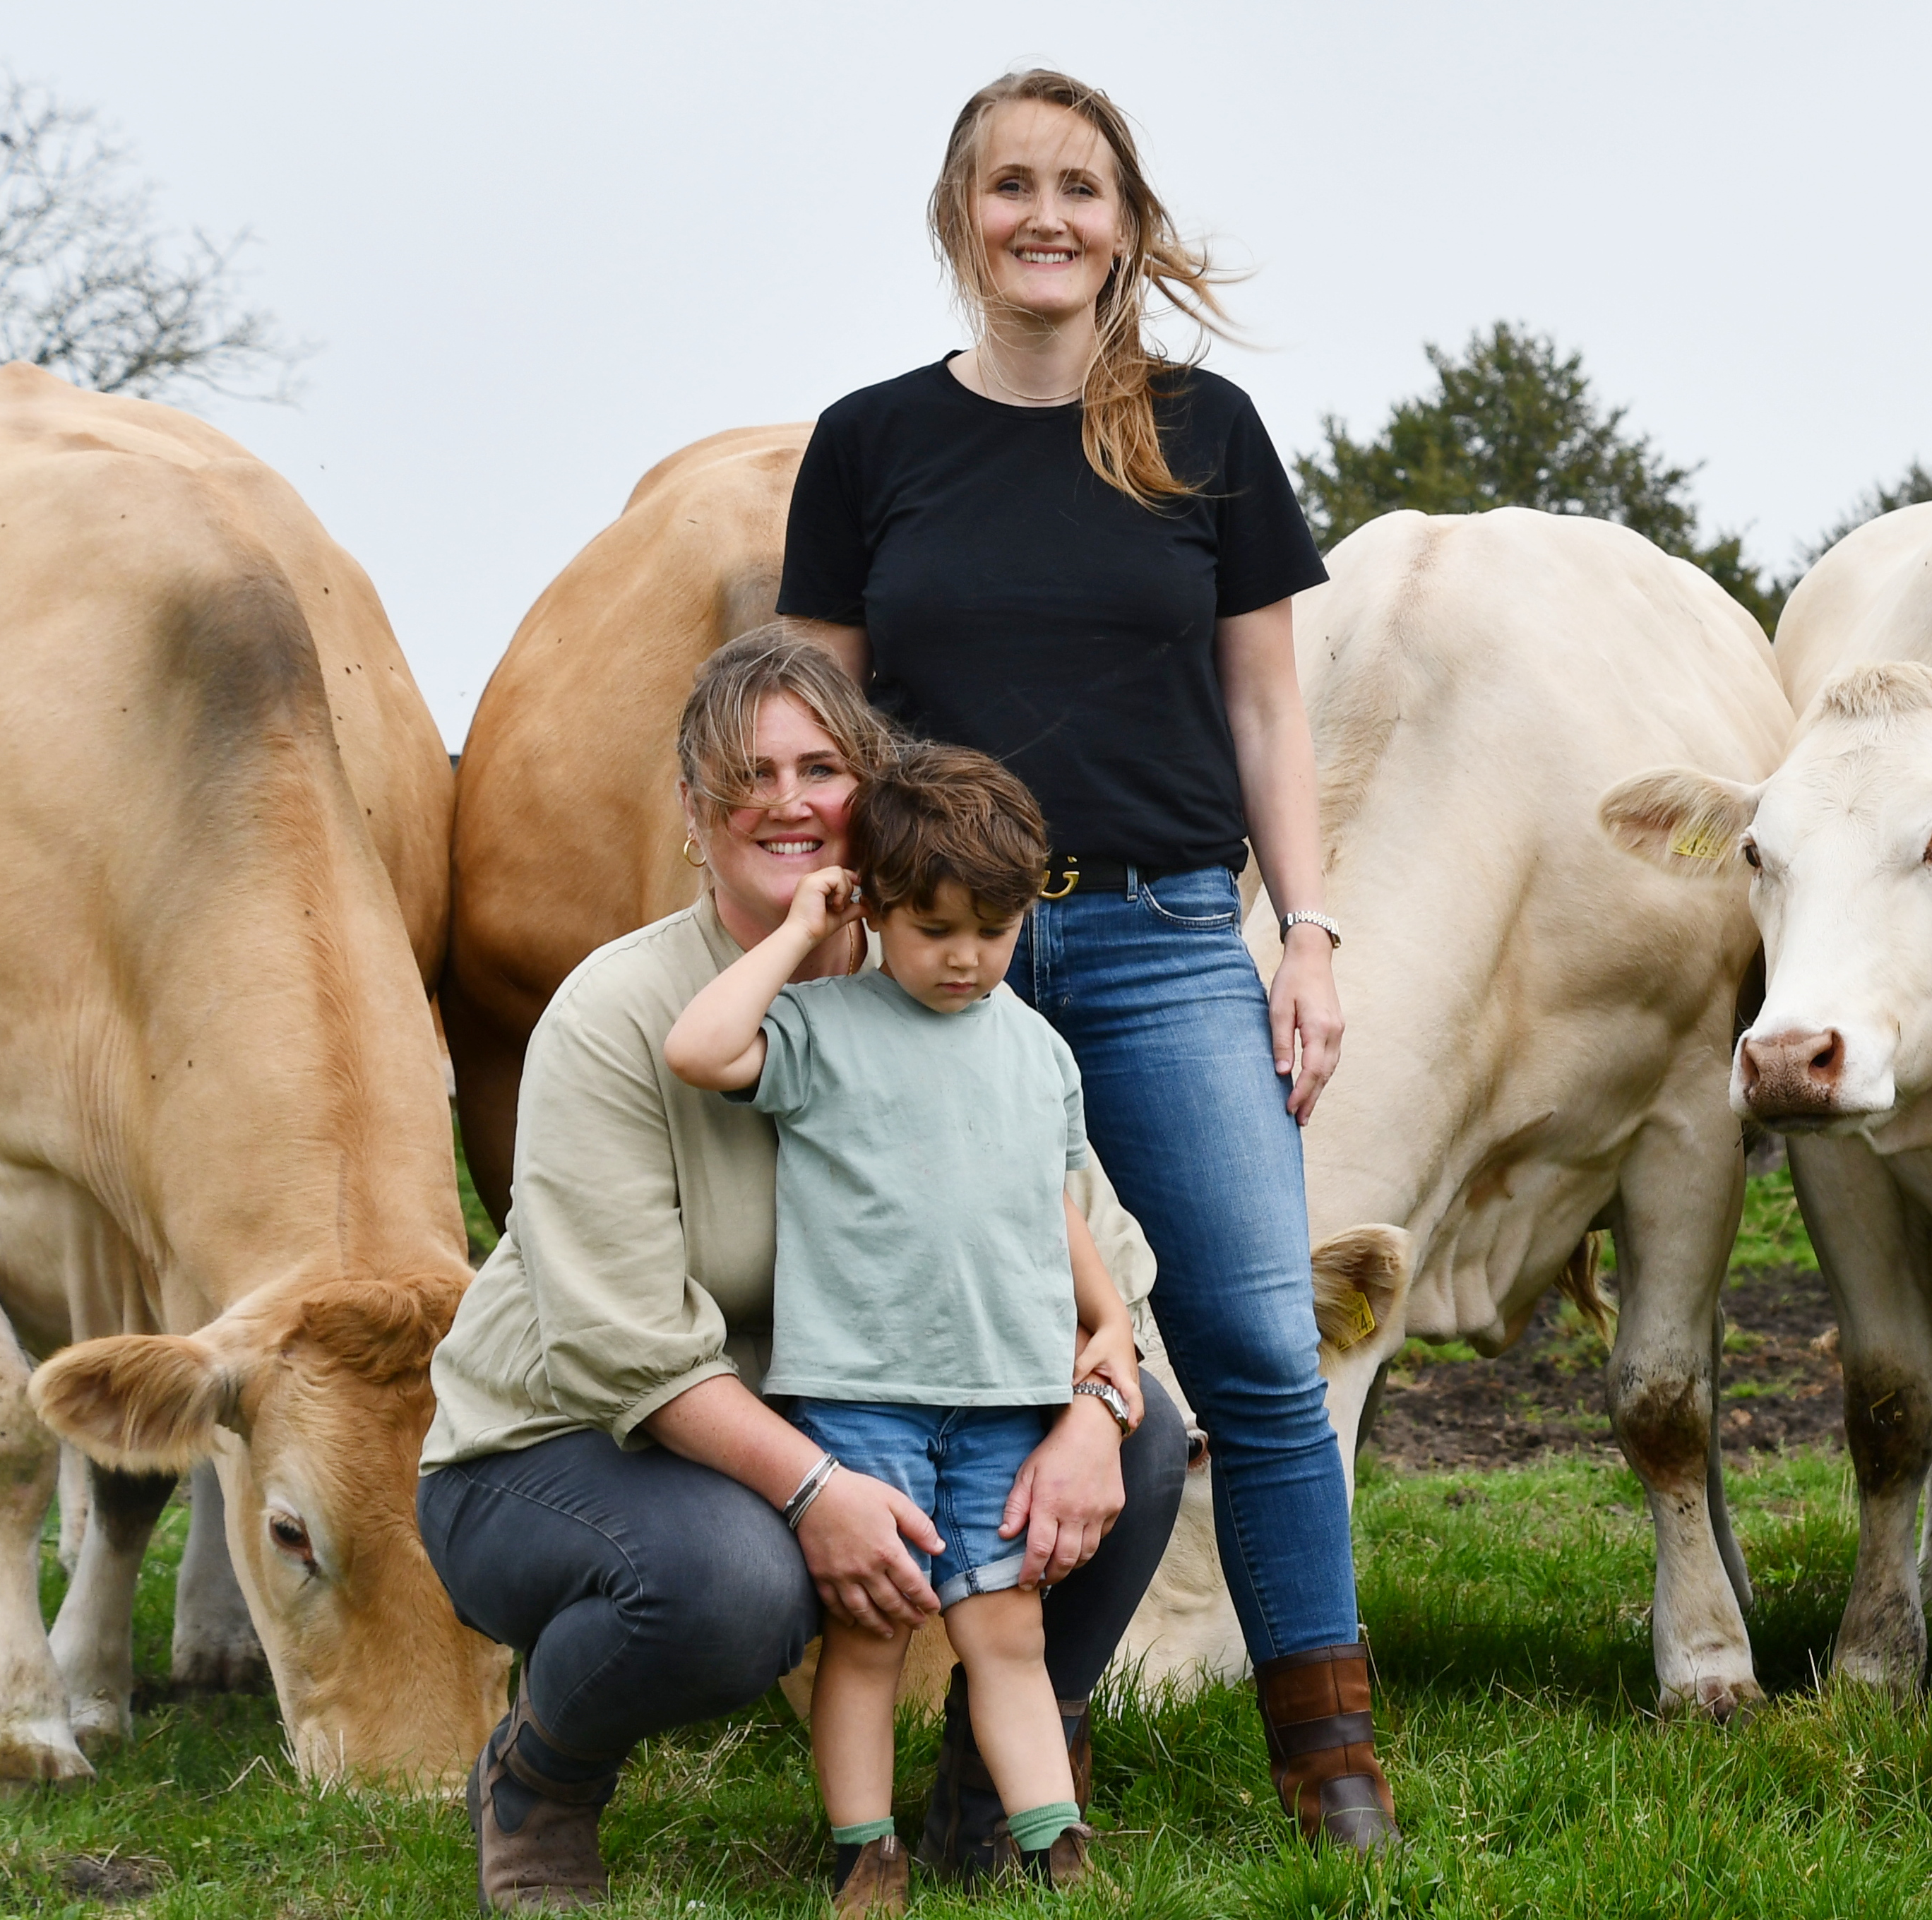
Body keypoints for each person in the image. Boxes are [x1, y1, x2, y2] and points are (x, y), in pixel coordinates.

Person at [777, 68, 1395, 1850]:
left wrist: (1307, 935)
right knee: (948, 1354)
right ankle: (986, 1732)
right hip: (930, 965)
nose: (1044, 216)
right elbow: (822, 724)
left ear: (1125, 220)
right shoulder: (872, 443)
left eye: (1079, 186)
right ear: (958, 217)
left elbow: (1266, 710)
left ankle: (1326, 1745)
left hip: (1161, 937)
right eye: (1007, 185)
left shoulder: (1205, 435)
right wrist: (823, 937)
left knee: (1257, 1348)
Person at [416, 631, 1188, 1912]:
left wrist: (1102, 1402)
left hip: (846, 1408)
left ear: (868, 798)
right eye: (744, 774)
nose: (783, 800)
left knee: (1145, 1442)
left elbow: (1089, 1243)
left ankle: (988, 1803)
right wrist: (816, 1486)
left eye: (819, 767)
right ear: (691, 812)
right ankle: (540, 1781)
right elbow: (624, 1350)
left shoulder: (955, 1001)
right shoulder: (620, 1014)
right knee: (736, 1583)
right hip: (565, 1444)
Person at [664, 743, 1136, 1909]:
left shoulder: (1036, 1050)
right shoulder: (823, 1030)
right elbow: (700, 1048)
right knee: (871, 1640)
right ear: (871, 907)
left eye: (994, 927)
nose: (967, 958)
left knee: (1003, 1634)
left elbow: (1053, 1198)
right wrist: (797, 929)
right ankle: (864, 1854)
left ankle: (1053, 1850)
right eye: (933, 930)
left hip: (1002, 1400)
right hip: (861, 1395)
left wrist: (1109, 1317)